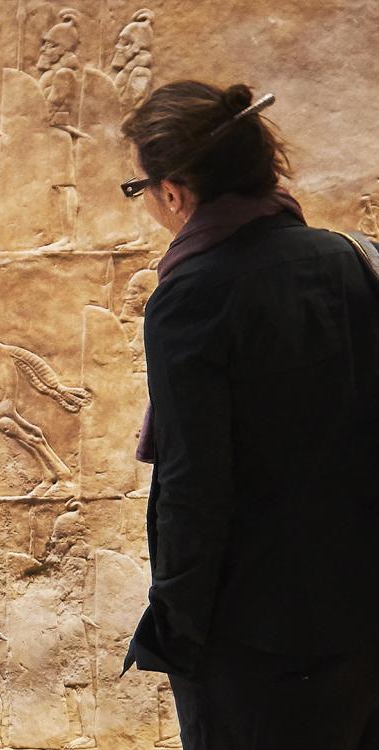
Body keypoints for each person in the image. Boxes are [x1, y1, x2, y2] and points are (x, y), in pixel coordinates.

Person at [120, 80, 379, 749]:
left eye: (139, 189)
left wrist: (175, 626)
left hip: (255, 641)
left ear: (173, 191)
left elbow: (193, 484)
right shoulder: (356, 260)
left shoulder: (193, 295)